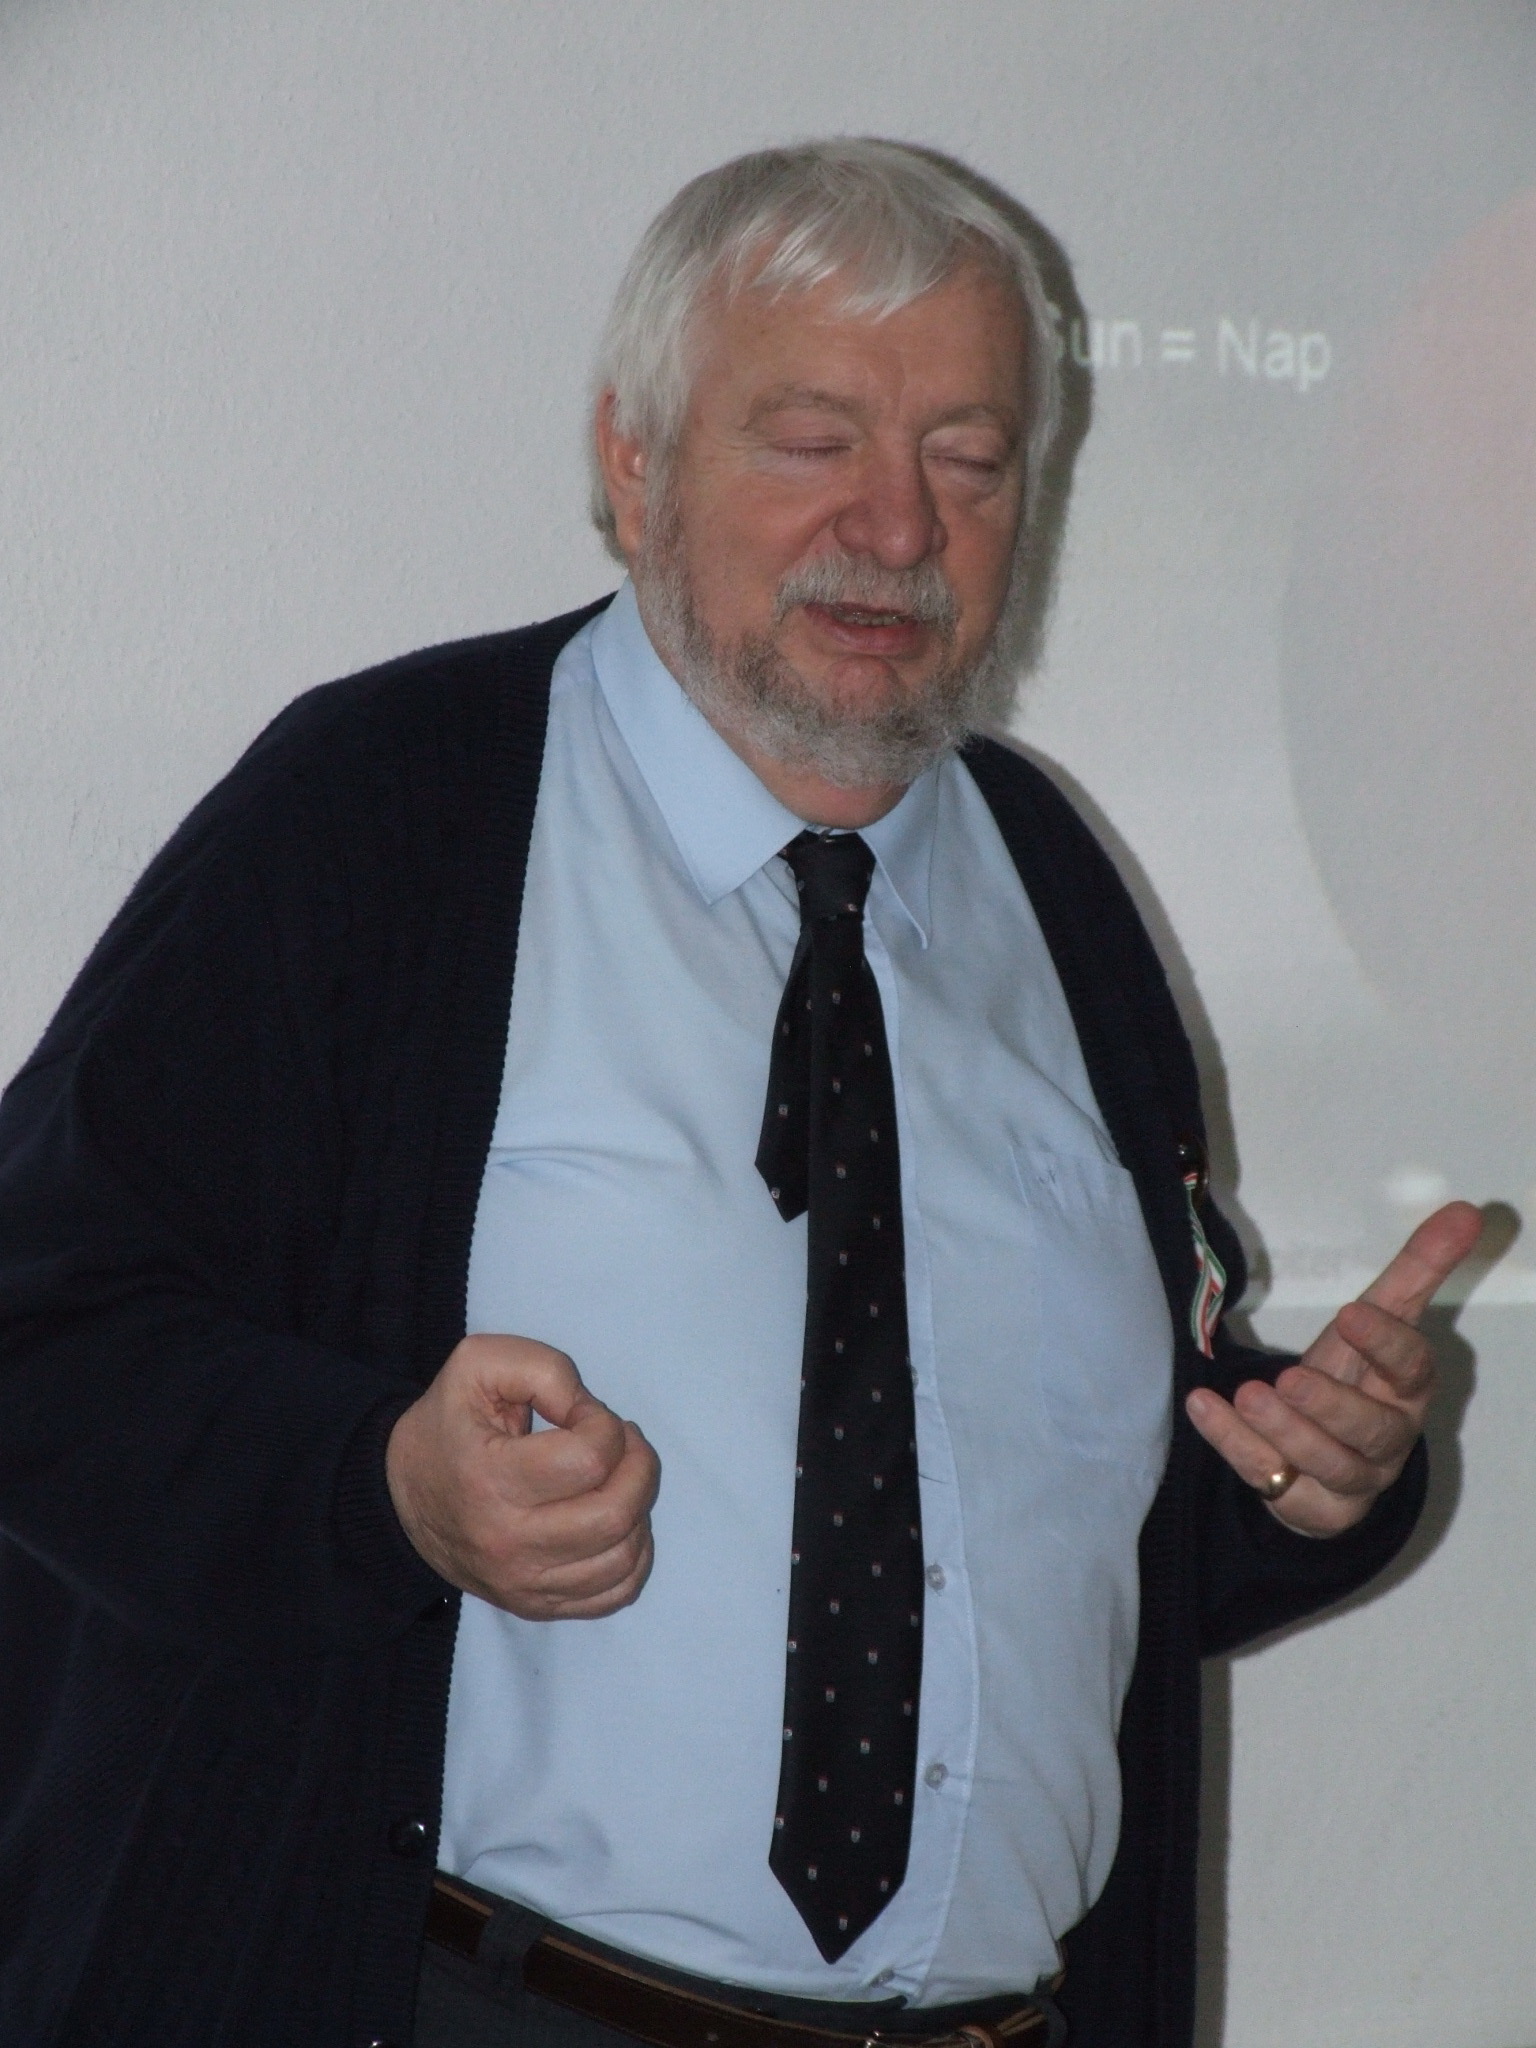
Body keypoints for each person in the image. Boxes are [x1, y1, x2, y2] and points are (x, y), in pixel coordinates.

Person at [0, 139, 1479, 2048]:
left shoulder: (1055, 888)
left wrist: (1299, 1479)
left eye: (970, 458)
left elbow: (1040, 1533)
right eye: (812, 442)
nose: (898, 523)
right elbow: (47, 1328)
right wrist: (385, 1490)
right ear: (632, 464)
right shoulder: (388, 808)